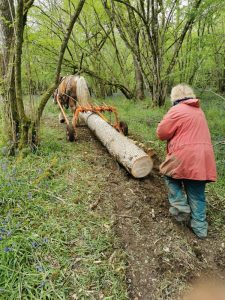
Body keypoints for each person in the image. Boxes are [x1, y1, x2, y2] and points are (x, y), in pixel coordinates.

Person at [156, 84, 217, 239]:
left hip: (184, 155)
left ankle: (180, 206)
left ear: (174, 97)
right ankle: (200, 229)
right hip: (203, 159)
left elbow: (162, 133)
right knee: (197, 194)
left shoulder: (176, 110)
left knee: (168, 174)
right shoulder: (199, 111)